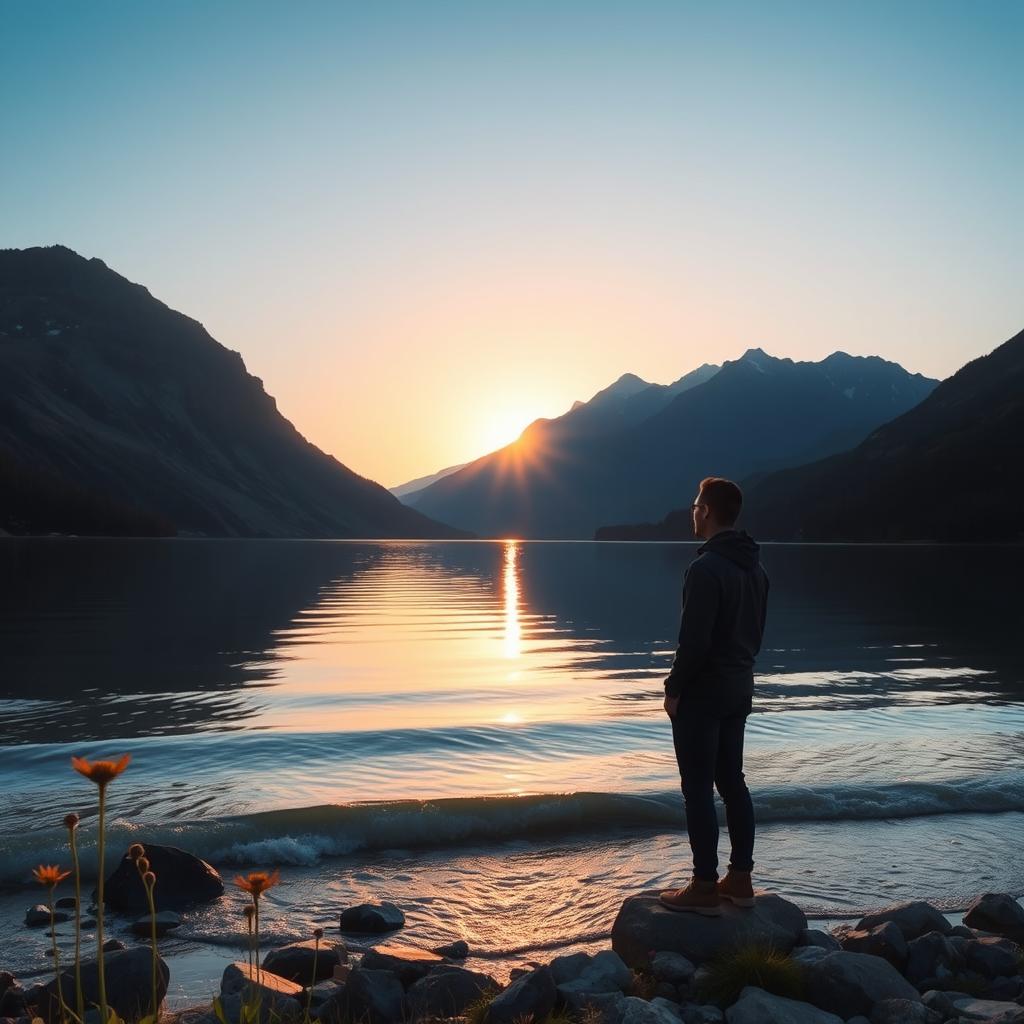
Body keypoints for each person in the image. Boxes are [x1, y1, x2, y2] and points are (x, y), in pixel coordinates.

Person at [659, 477, 769, 915]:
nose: (692, 510)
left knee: (698, 789)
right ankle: (740, 878)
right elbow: (756, 635)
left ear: (706, 511)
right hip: (739, 688)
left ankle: (704, 884)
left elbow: (694, 643)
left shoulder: (705, 569)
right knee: (733, 782)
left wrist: (673, 689)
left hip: (704, 693)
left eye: (695, 504)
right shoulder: (756, 568)